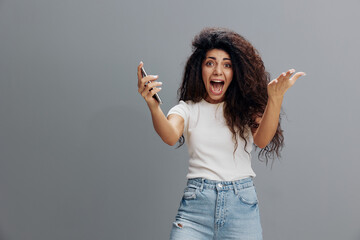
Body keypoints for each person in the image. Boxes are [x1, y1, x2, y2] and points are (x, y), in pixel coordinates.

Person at [137, 27, 305, 240]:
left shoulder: (245, 109)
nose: (217, 71)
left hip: (241, 209)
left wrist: (275, 98)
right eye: (210, 63)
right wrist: (153, 106)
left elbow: (262, 140)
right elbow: (170, 135)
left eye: (227, 64)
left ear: (236, 72)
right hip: (195, 210)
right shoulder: (187, 109)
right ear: (200, 69)